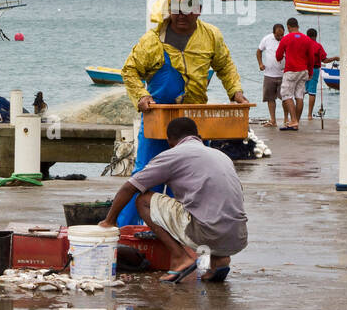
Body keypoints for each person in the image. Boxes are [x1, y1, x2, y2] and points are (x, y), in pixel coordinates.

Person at [118, 0, 247, 225]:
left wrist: (236, 92)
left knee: (194, 180)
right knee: (145, 177)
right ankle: (127, 230)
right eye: (176, 10)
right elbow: (130, 71)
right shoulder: (152, 39)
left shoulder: (211, 35)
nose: (181, 15)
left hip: (194, 121)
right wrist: (142, 96)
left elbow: (225, 66)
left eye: (187, 10)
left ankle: (189, 233)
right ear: (169, 11)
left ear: (198, 11)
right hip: (158, 119)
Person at [99, 116, 247, 283]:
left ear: (169, 141)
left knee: (143, 200)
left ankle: (180, 258)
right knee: (208, 207)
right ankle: (219, 260)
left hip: (207, 233)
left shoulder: (173, 155)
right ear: (199, 137)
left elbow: (130, 187)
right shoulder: (220, 155)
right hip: (237, 236)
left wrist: (109, 221)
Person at [274, 17, 316, 130]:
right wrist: (310, 72)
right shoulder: (307, 39)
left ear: (288, 27)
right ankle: (296, 122)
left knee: (286, 94)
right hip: (304, 71)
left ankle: (293, 120)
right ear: (298, 26)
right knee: (299, 96)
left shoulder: (286, 38)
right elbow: (312, 58)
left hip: (291, 70)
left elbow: (278, 55)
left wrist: (283, 57)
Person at [303, 27, 337, 121]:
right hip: (314, 70)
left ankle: (297, 115)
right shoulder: (318, 46)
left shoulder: (303, 45)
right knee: (312, 93)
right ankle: (309, 115)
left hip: (303, 70)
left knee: (300, 92)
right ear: (316, 36)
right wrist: (334, 58)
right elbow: (325, 60)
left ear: (307, 35)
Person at [255, 22, 285, 127]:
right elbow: (259, 51)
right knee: (270, 98)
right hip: (269, 74)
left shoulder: (286, 40)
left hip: (283, 74)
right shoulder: (267, 39)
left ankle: (286, 120)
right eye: (278, 35)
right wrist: (260, 64)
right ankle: (273, 120)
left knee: (285, 98)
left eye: (282, 35)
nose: (280, 37)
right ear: (273, 33)